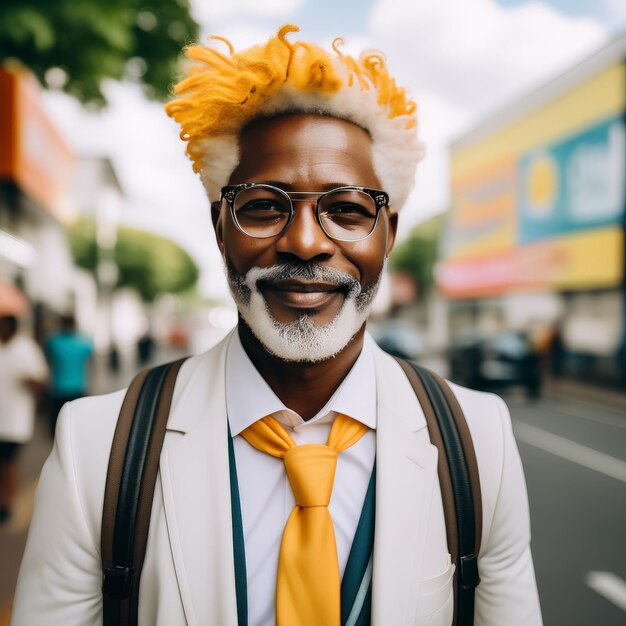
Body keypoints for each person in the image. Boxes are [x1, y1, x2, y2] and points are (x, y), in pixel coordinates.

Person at [12, 26, 542, 625]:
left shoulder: (479, 439)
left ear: (388, 234)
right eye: (264, 206)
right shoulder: (97, 445)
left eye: (346, 210)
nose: (307, 243)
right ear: (220, 229)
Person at [0, 315, 48, 524]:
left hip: (15, 421)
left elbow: (42, 381)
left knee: (9, 463)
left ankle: (7, 504)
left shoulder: (26, 349)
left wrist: (28, 379)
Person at [44, 314, 94, 437]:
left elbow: (46, 356)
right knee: (75, 425)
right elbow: (91, 363)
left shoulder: (53, 342)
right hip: (78, 387)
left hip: (58, 388)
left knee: (57, 428)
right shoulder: (85, 343)